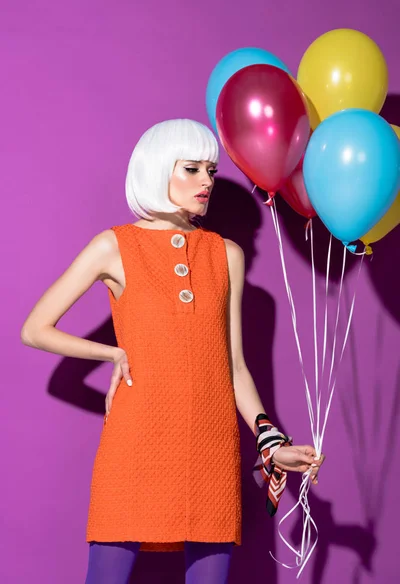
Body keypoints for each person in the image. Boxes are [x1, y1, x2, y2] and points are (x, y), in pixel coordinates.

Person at [21, 118, 325, 584]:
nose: (207, 181)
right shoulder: (114, 246)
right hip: (135, 443)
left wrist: (273, 443)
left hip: (212, 446)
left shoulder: (227, 255)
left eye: (211, 170)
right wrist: (113, 354)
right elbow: (35, 328)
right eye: (192, 169)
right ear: (159, 169)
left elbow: (235, 367)